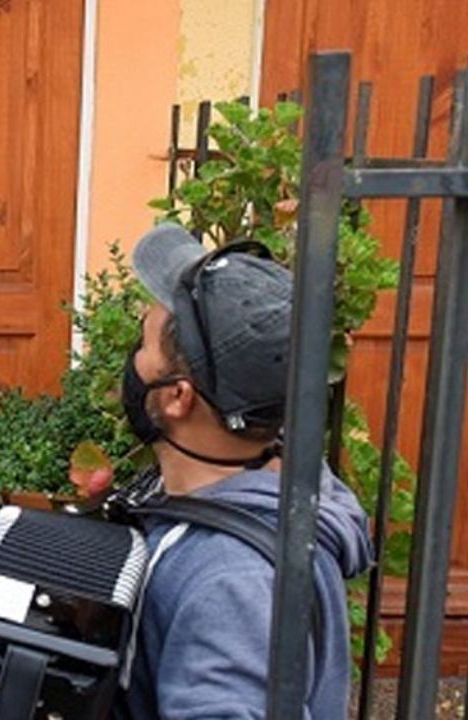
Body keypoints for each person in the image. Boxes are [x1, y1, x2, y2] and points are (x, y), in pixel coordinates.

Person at [115, 223, 371, 718]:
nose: (133, 358)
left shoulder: (232, 584)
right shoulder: (242, 494)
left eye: (142, 344)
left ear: (176, 397)